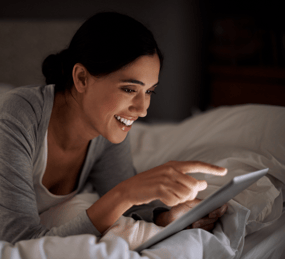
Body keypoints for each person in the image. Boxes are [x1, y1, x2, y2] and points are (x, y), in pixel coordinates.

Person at [0, 12, 227, 245]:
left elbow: (132, 206)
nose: (142, 109)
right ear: (81, 78)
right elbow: (20, 241)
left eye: (149, 91)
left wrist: (166, 216)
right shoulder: (18, 116)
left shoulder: (105, 128)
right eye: (129, 89)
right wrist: (124, 194)